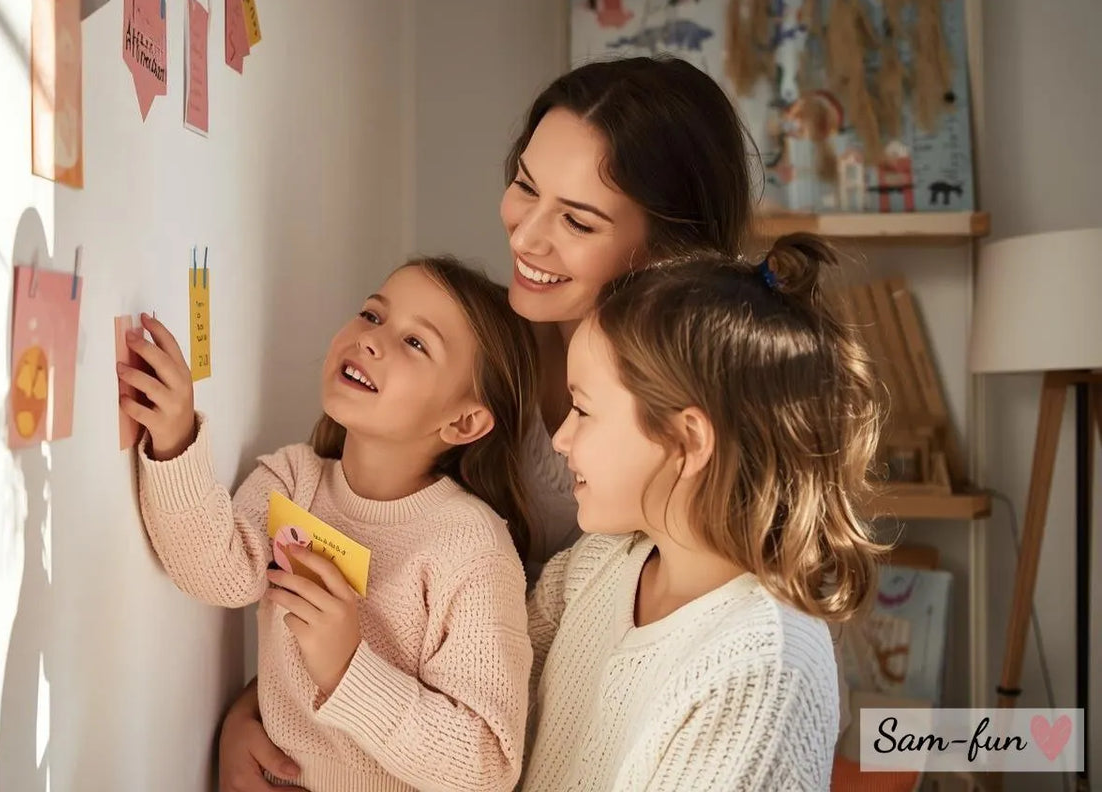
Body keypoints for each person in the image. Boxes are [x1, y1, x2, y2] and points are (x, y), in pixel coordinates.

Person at [219, 55, 756, 792]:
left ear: (664, 249)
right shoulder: (471, 349)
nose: (528, 239)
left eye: (576, 219)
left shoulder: (693, 436)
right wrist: (266, 707)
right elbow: (371, 547)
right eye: (526, 187)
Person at [121, 256, 540, 792]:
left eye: (416, 343)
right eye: (372, 315)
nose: (372, 339)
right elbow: (217, 574)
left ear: (463, 421)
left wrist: (347, 668)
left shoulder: (473, 546)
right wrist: (175, 443)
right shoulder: (293, 478)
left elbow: (486, 766)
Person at [522, 233, 884, 788]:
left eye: (583, 409)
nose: (562, 438)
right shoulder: (597, 565)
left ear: (688, 439)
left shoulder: (763, 671)